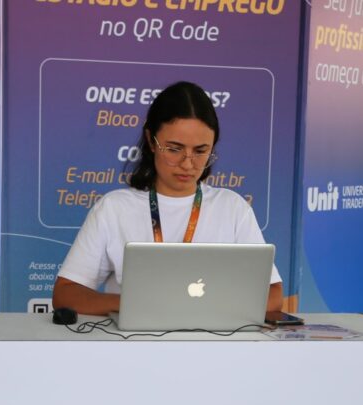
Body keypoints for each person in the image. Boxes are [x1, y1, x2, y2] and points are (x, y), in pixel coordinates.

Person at [53, 81, 283, 314]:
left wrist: (200, 307)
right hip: (136, 336)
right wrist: (136, 305)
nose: (188, 164)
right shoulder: (114, 208)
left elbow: (273, 295)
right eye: (174, 149)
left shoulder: (233, 208)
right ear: (151, 140)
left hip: (212, 336)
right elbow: (65, 294)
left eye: (201, 151)